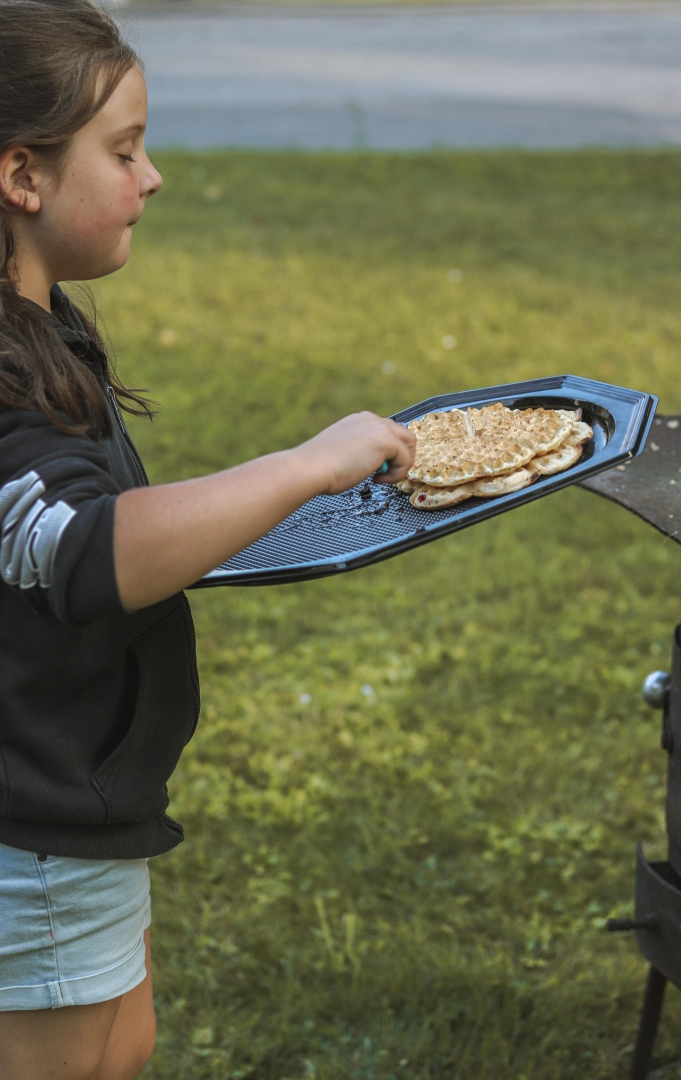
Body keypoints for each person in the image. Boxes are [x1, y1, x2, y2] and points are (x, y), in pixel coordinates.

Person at [0, 2, 416, 1077]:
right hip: (33, 827)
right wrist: (307, 464)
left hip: (69, 811)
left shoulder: (42, 328)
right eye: (124, 150)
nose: (153, 177)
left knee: (122, 1043)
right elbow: (81, 550)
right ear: (23, 176)